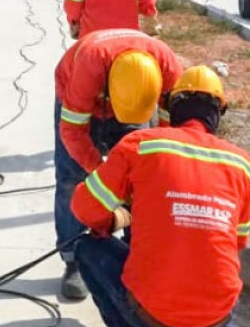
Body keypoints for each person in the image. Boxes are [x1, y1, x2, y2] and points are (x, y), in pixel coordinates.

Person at [69, 65, 250, 327]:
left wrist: (114, 219)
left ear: (171, 107)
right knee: (224, 257)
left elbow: (83, 208)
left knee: (87, 247)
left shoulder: (141, 144)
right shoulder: (243, 164)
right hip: (215, 316)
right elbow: (238, 242)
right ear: (218, 112)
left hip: (149, 316)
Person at [53, 28, 182, 300]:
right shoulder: (89, 66)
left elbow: (172, 127)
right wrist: (102, 177)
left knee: (141, 181)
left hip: (131, 101)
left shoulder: (168, 67)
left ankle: (135, 258)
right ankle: (73, 259)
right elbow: (72, 133)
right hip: (79, 99)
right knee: (71, 180)